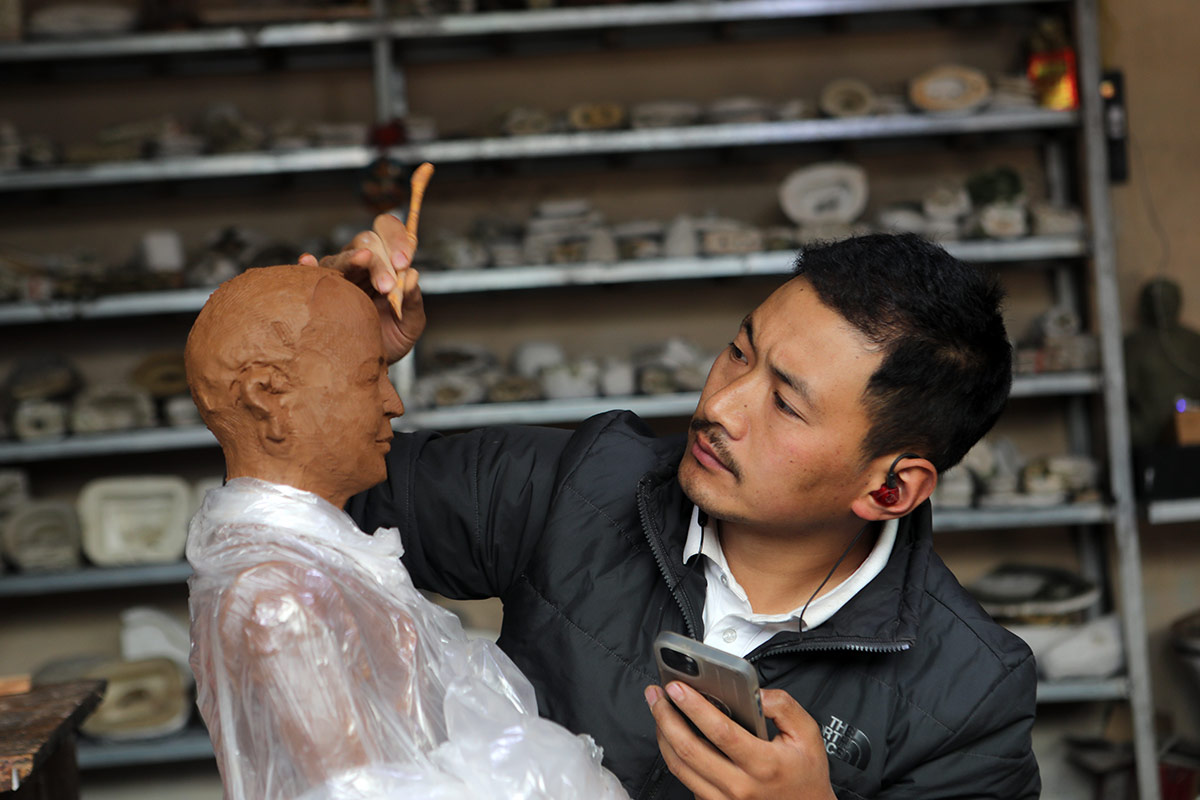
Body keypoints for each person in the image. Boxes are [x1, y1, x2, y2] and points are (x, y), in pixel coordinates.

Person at [315, 224, 1040, 799]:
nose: (718, 406)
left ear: (890, 489)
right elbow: (317, 483)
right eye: (736, 352)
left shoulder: (972, 693)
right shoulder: (583, 483)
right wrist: (331, 351)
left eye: (785, 404)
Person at [184, 264, 628, 799]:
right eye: (370, 376)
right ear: (268, 398)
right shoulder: (280, 602)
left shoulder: (311, 562)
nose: (394, 402)